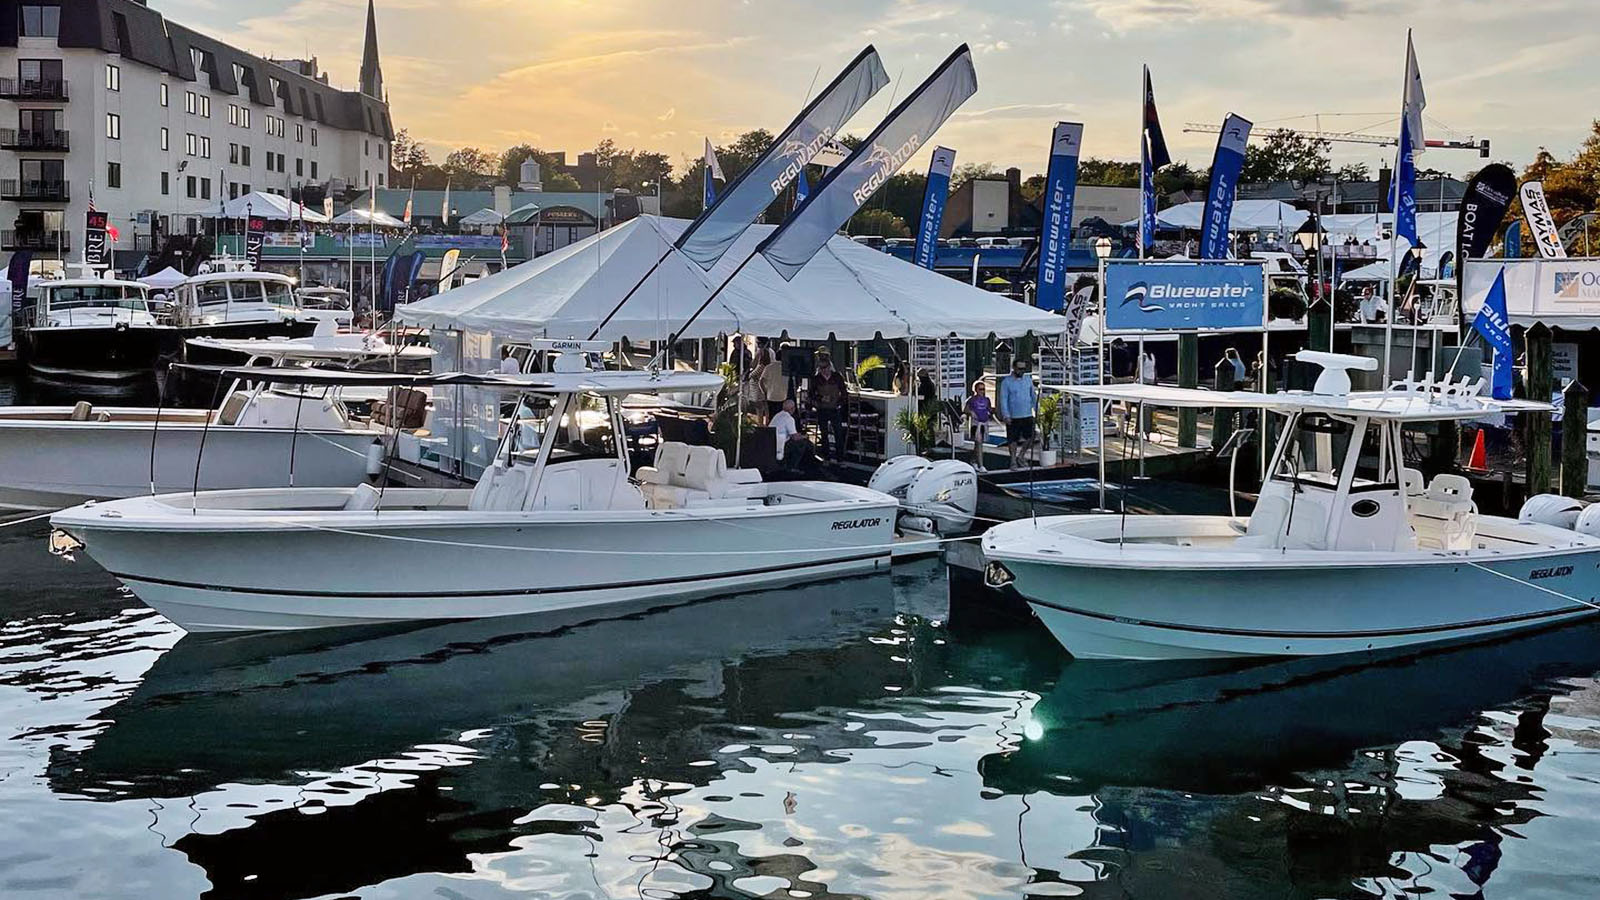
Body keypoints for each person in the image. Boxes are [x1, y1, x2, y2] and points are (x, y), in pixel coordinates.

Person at [808, 352, 850, 462]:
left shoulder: (837, 377)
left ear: (829, 366)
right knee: (824, 434)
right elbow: (811, 394)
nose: (824, 370)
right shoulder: (816, 379)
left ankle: (840, 458)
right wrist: (820, 398)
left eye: (825, 367)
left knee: (838, 434)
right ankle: (826, 457)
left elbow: (844, 393)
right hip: (822, 409)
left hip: (835, 409)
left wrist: (839, 403)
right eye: (821, 368)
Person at [997, 358, 1038, 469]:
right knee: (1012, 439)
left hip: (1027, 414)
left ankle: (1021, 456)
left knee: (1031, 436)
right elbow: (1003, 399)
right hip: (1013, 415)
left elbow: (1033, 396)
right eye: (1020, 368)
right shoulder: (1006, 382)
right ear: (1014, 368)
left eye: (1024, 369)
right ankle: (1013, 460)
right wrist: (1006, 415)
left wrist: (1037, 410)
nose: (1022, 371)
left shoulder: (1028, 380)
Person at [964, 380, 993, 471]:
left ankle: (973, 460)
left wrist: (990, 413)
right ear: (976, 390)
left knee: (978, 444)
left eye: (983, 389)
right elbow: (965, 409)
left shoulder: (987, 400)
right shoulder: (971, 400)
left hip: (984, 423)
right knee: (979, 443)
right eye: (980, 389)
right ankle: (981, 465)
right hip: (976, 424)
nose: (982, 391)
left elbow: (990, 409)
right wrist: (971, 412)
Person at [757, 344, 787, 421]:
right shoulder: (787, 368)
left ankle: (771, 430)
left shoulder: (769, 367)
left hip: (771, 396)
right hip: (783, 396)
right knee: (782, 417)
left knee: (771, 416)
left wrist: (764, 391)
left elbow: (761, 381)